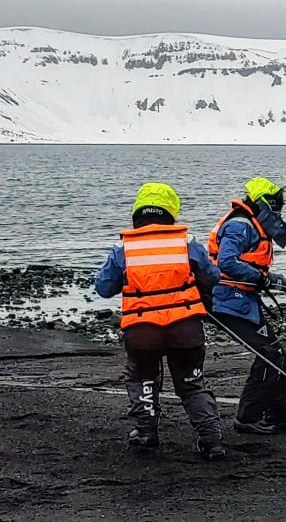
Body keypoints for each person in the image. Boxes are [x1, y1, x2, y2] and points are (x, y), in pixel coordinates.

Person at [93, 182, 228, 459]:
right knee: (192, 383)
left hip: (142, 331)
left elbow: (104, 288)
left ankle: (146, 432)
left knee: (142, 377)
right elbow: (213, 278)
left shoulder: (124, 248)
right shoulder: (186, 243)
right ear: (171, 211)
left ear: (137, 211)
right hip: (185, 328)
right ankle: (211, 441)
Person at [208, 177, 286, 434]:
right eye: (274, 202)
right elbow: (227, 263)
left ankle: (279, 414)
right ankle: (247, 417)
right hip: (227, 301)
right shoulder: (240, 226)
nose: (278, 208)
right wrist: (259, 278)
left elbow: (256, 270)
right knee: (269, 355)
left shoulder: (251, 226)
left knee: (278, 356)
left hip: (242, 300)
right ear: (261, 201)